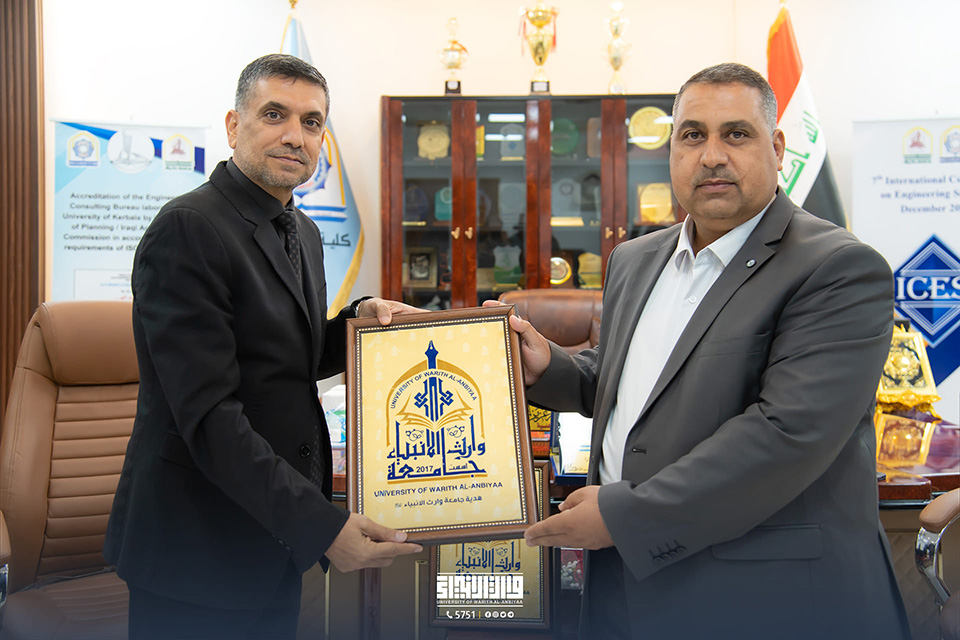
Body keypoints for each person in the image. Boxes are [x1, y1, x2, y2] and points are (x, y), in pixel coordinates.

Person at [503, 63, 910, 639]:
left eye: (736, 134)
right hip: (622, 582)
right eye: (692, 135)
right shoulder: (635, 259)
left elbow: (786, 435)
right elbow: (633, 381)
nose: (712, 155)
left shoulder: (837, 267)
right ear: (671, 150)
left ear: (777, 148)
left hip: (763, 599)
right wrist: (549, 364)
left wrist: (625, 517)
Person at [104, 54, 423, 639]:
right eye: (275, 114)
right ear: (234, 126)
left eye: (311, 122)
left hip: (268, 539)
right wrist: (321, 527)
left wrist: (358, 323)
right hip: (196, 551)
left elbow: (285, 357)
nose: (295, 135)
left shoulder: (301, 230)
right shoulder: (189, 228)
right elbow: (209, 417)